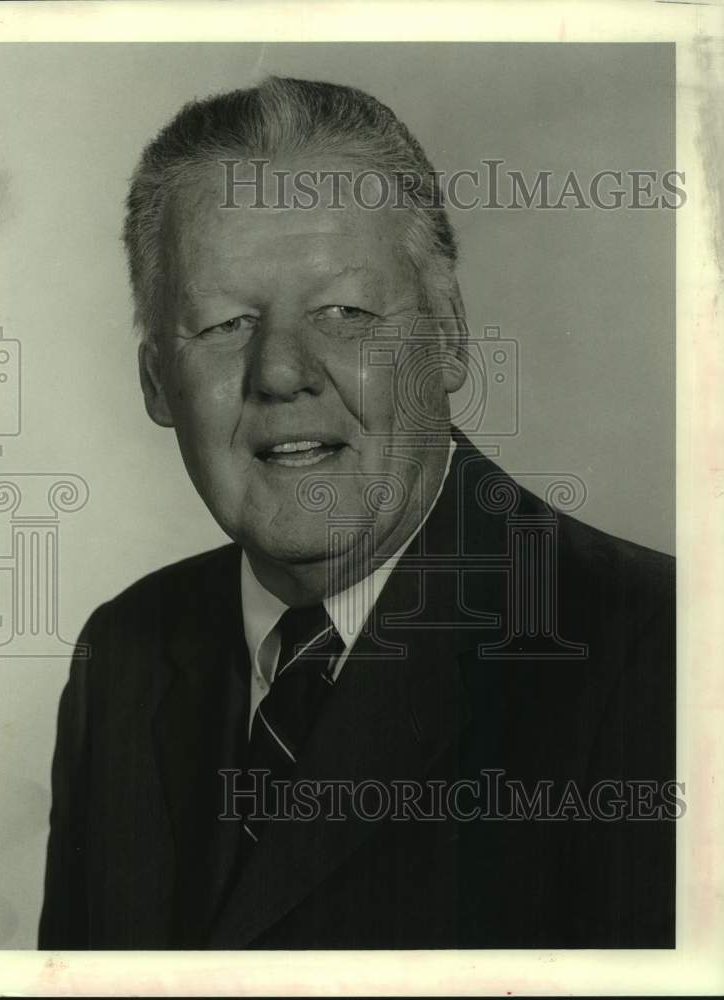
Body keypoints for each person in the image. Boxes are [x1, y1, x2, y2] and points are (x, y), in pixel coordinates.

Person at [38, 76, 675, 950]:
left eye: (343, 312)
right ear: (156, 379)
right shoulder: (124, 653)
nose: (280, 372)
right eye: (224, 323)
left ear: (448, 336)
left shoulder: (660, 655)